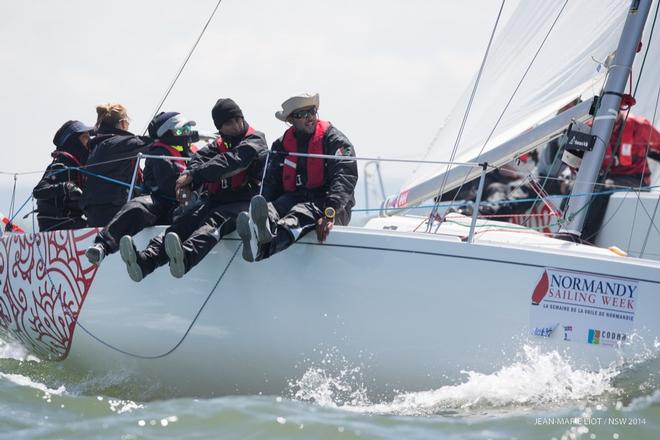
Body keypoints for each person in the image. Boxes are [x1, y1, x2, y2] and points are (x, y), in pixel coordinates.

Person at [118, 98, 268, 281]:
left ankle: (187, 258)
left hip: (243, 201)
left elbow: (232, 161)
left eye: (239, 119)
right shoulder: (217, 145)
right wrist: (188, 180)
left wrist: (193, 176)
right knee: (185, 221)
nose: (237, 125)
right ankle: (146, 261)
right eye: (229, 122)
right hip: (216, 199)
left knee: (213, 222)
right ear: (220, 128)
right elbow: (198, 159)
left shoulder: (255, 139)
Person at [236, 93, 358, 262]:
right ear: (291, 120)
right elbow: (271, 182)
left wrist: (330, 212)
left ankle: (261, 250)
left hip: (331, 204)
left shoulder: (334, 140)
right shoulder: (281, 145)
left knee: (299, 214)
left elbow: (345, 176)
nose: (309, 117)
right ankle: (256, 230)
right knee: (273, 208)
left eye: (312, 112)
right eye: (301, 114)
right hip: (296, 197)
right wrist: (263, 203)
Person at [85, 112, 198, 265]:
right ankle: (103, 245)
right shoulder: (159, 152)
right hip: (161, 202)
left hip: (184, 204)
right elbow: (168, 184)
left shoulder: (192, 154)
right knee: (138, 206)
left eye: (188, 129)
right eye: (181, 131)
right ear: (167, 133)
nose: (186, 134)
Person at [581, 112, 660, 241]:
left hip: (636, 179)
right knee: (578, 186)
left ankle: (586, 238)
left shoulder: (640, 125)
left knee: (603, 187)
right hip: (606, 176)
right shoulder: (592, 127)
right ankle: (567, 230)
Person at [81, 103, 152, 227]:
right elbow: (148, 144)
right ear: (123, 123)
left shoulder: (99, 144)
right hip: (112, 213)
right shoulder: (117, 144)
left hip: (96, 213)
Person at [32, 120, 94, 231]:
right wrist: (67, 187)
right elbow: (38, 191)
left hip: (72, 222)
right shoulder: (61, 165)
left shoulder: (77, 165)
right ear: (73, 141)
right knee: (102, 233)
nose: (89, 141)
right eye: (85, 137)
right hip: (55, 226)